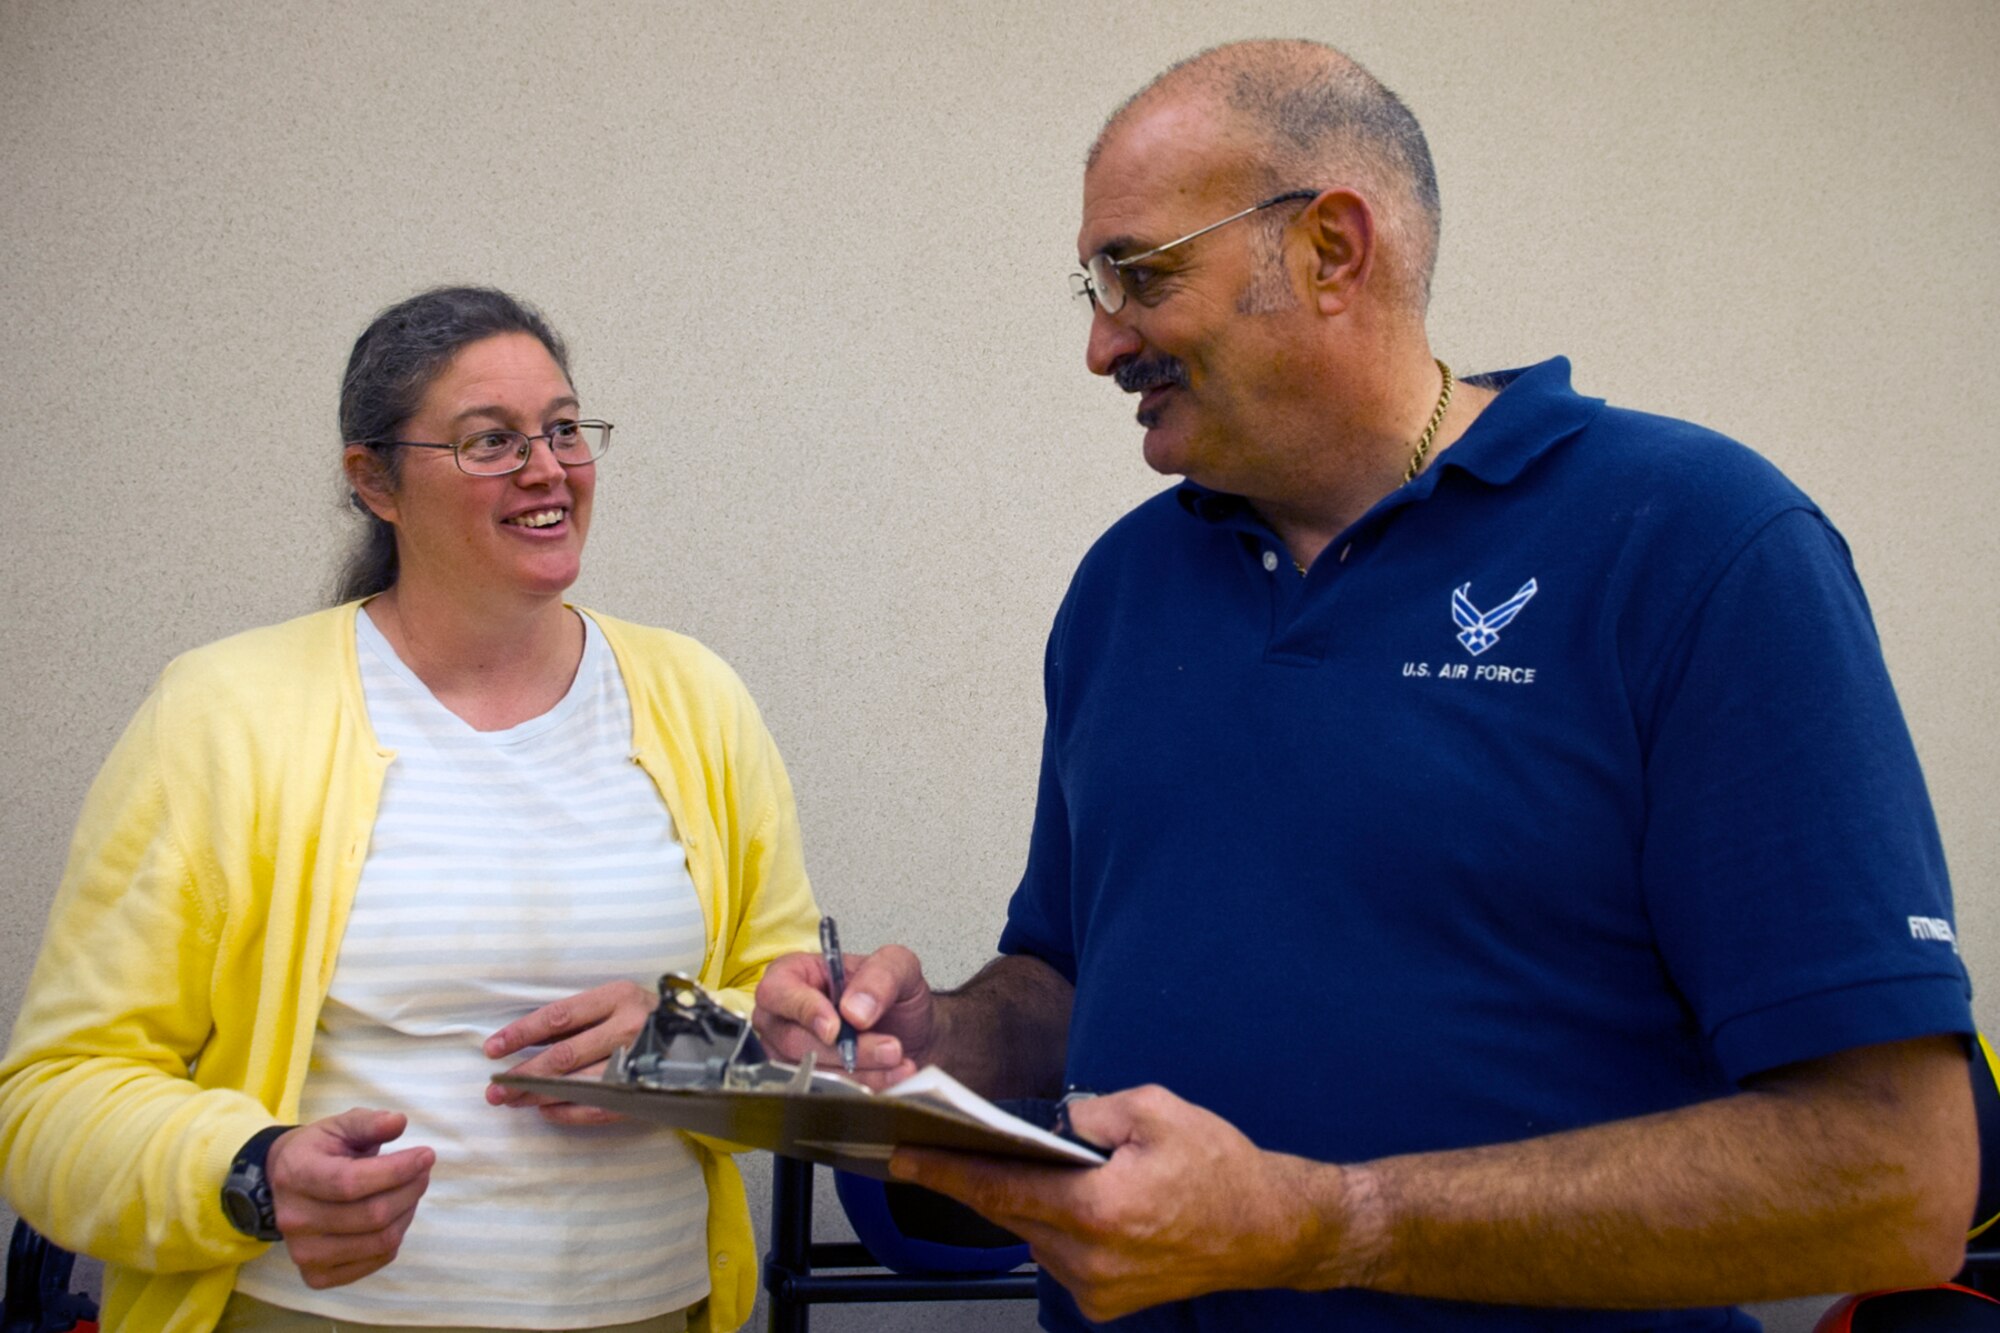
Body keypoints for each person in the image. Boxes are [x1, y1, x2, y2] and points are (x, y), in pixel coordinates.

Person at [753, 40, 1979, 1332]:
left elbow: (1895, 1177)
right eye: (1092, 286)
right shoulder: (1125, 585)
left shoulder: (1696, 545)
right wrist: (936, 1039)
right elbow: (1068, 978)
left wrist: (1332, 1221)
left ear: (1335, 250)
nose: (1103, 342)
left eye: (1141, 273)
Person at [0, 287, 820, 1333]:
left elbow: (803, 1035)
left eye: (564, 429)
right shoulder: (225, 714)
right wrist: (252, 1174)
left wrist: (685, 1043)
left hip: (651, 1310)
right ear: (373, 480)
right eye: (490, 441)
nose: (547, 467)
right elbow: (56, 1096)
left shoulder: (695, 698)